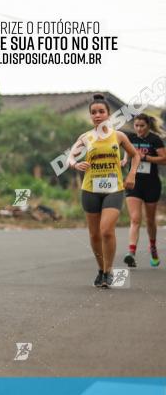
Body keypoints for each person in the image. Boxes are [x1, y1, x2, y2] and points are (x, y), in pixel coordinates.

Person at [67, 94, 140, 288]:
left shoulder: (119, 136)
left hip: (114, 189)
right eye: (93, 112)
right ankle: (101, 270)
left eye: (101, 112)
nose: (97, 115)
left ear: (108, 114)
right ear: (91, 116)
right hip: (90, 189)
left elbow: (135, 155)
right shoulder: (86, 137)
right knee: (94, 235)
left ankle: (108, 271)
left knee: (106, 230)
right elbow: (70, 157)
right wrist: (75, 164)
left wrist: (131, 174)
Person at [122, 113, 165, 268]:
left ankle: (152, 247)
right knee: (135, 219)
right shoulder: (130, 139)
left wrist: (146, 158)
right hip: (134, 183)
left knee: (150, 221)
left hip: (152, 184)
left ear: (148, 126)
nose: (139, 129)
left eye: (142, 126)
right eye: (136, 126)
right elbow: (126, 154)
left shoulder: (155, 140)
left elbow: (164, 159)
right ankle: (131, 253)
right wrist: (125, 160)